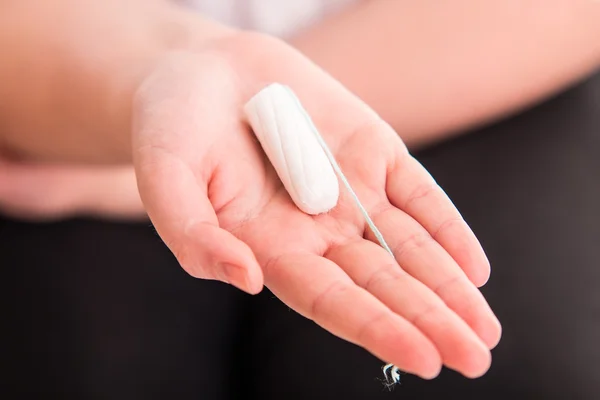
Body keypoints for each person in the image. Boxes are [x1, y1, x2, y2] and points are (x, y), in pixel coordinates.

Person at [0, 1, 599, 398]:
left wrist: (132, 177)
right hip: (87, 67)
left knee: (529, 364)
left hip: (467, 59)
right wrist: (161, 77)